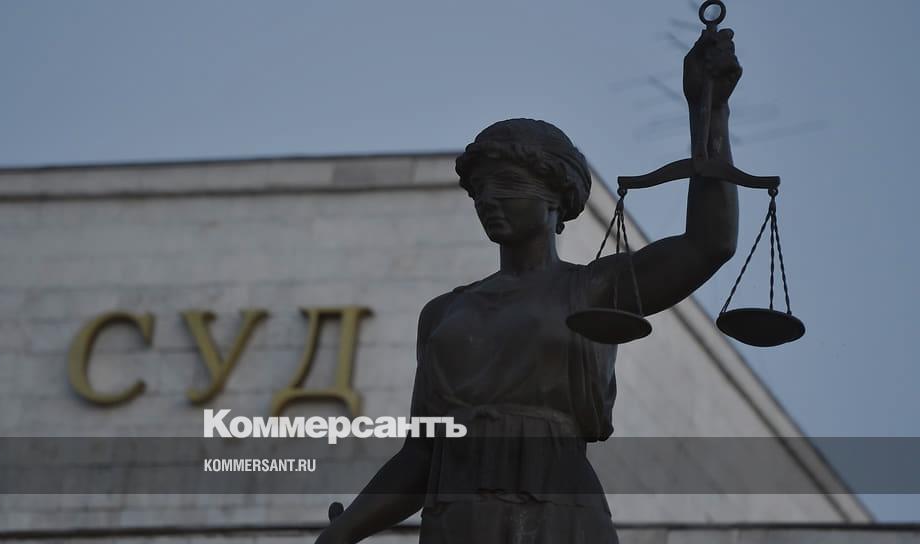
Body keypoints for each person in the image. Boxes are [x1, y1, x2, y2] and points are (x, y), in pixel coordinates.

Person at [315, 28, 742, 544]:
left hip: (560, 514)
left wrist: (708, 111)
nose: (489, 201)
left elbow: (709, 243)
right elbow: (421, 453)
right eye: (480, 191)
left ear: (556, 198)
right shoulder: (443, 314)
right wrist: (344, 531)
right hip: (458, 520)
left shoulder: (595, 290)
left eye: (508, 186)